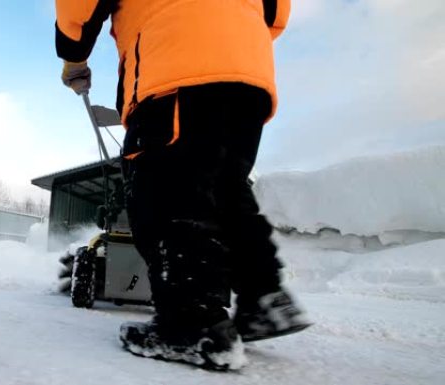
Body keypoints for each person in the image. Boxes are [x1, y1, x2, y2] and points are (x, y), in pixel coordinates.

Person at [55, 0, 311, 370]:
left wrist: (73, 53)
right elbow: (276, 15)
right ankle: (264, 299)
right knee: (227, 190)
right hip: (249, 74)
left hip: (176, 68)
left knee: (166, 195)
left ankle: (192, 326)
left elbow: (78, 7)